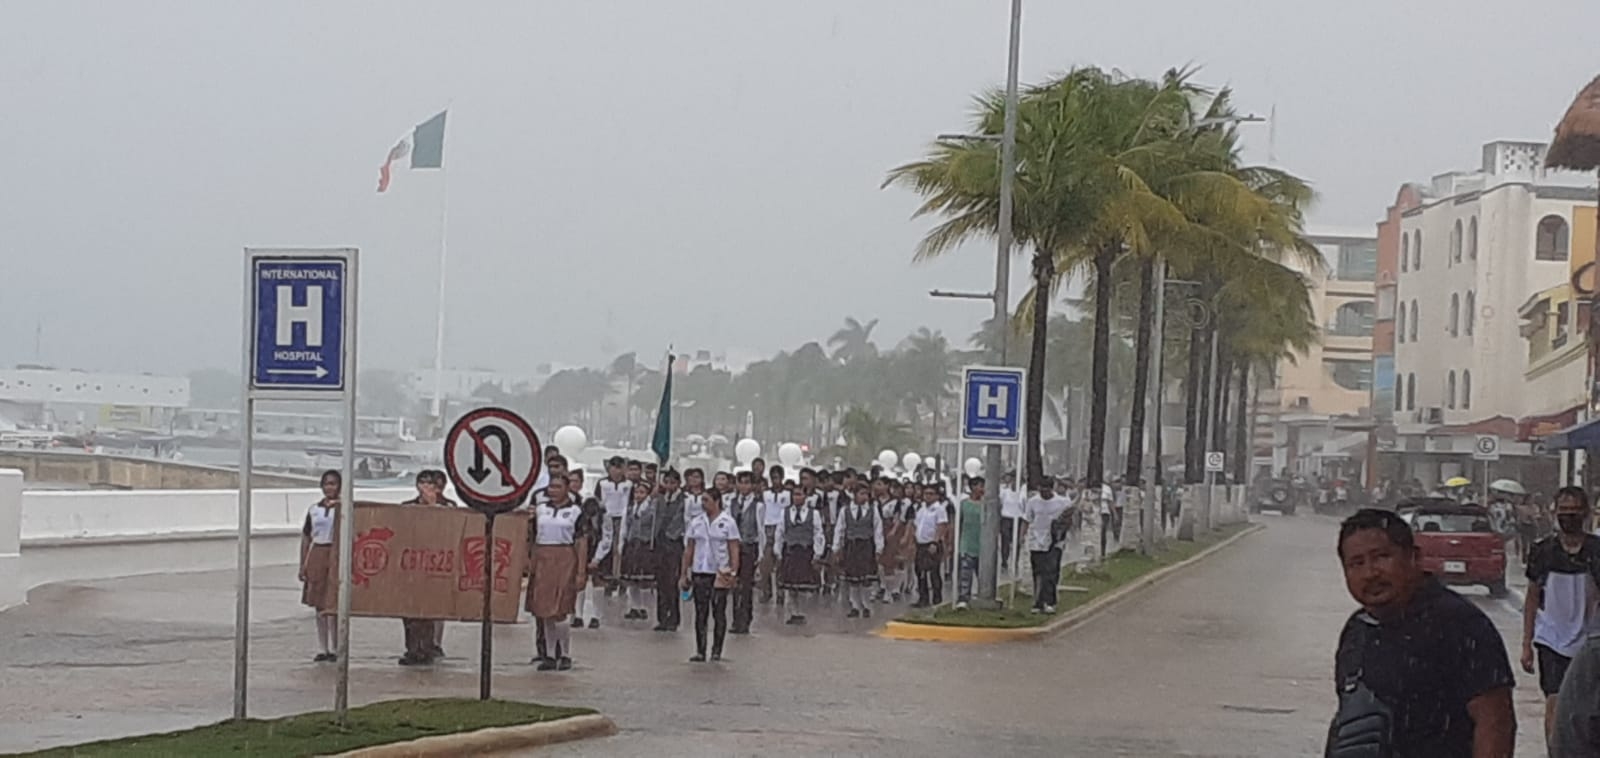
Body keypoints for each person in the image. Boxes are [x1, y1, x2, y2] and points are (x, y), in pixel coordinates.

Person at [1327, 508, 1515, 757]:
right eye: (1357, 563)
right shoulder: (1357, 630)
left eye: (1382, 557)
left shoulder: (1461, 624)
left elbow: (1495, 722)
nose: (1370, 573)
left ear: (1413, 558)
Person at [1521, 486, 1600, 744]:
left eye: (1574, 511)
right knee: (1554, 700)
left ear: (1586, 513)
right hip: (1550, 639)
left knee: (1587, 704)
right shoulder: (1543, 551)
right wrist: (1527, 644)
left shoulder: (1596, 551)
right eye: (1564, 511)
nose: (1569, 516)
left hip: (1589, 641)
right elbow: (1532, 596)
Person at [525, 476, 588, 671]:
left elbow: (581, 542)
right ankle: (549, 655)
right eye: (551, 486)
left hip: (565, 558)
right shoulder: (540, 510)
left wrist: (581, 571)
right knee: (544, 610)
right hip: (543, 558)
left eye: (558, 487)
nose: (553, 490)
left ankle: (565, 654)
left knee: (561, 609)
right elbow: (530, 536)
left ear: (567, 489)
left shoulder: (577, 512)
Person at [680, 487, 740, 662]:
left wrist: (734, 572)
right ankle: (700, 650)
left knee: (718, 612)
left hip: (720, 573)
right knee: (700, 613)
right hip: (700, 571)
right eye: (702, 501)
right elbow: (689, 549)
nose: (703, 504)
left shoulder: (728, 522)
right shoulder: (696, 522)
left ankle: (716, 650)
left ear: (717, 501)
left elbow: (733, 548)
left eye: (706, 500)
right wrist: (684, 573)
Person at [398, 470, 452, 665]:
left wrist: (433, 505)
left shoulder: (448, 507)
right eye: (422, 482)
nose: (426, 487)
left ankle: (428, 648)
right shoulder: (406, 507)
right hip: (411, 565)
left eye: (430, 483)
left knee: (429, 609)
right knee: (409, 611)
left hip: (434, 565)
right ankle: (411, 648)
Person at [299, 469, 341, 662]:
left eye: (333, 484)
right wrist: (303, 564)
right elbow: (307, 537)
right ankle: (322, 647)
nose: (329, 487)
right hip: (317, 553)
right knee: (318, 603)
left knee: (333, 603)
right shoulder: (313, 510)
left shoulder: (344, 508)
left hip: (335, 553)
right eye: (326, 484)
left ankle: (336, 646)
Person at [774, 474, 824, 625]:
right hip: (790, 551)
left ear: (805, 496)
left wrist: (817, 553)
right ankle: (793, 613)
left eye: (799, 494)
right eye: (794, 494)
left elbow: (818, 533)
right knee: (790, 586)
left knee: (804, 586)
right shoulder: (785, 512)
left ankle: (801, 612)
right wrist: (778, 551)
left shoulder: (813, 513)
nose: (796, 497)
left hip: (805, 551)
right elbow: (780, 532)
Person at [833, 479, 883, 618]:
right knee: (853, 579)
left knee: (865, 579)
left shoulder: (873, 510)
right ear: (854, 495)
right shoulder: (845, 510)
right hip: (852, 546)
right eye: (861, 494)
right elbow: (840, 529)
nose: (864, 497)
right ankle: (855, 605)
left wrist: (879, 548)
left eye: (866, 494)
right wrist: (837, 547)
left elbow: (878, 529)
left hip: (866, 546)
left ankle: (866, 605)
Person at [1021, 477, 1070, 614]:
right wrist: (1022, 537)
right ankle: (1038, 602)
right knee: (1038, 572)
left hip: (1055, 542)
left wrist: (1062, 532)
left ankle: (1050, 601)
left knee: (1051, 571)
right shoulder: (1033, 502)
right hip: (1036, 541)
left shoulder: (1062, 502)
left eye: (1047, 490)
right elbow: (1026, 520)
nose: (1044, 493)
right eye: (1041, 490)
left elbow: (1068, 519)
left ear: (1052, 488)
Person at [570, 469, 611, 630]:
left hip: (599, 550)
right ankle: (577, 615)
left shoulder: (604, 517)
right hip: (582, 549)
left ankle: (596, 616)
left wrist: (597, 558)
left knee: (598, 582)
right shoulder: (579, 515)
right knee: (578, 582)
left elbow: (607, 537)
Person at [651, 469, 687, 632]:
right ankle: (661, 618)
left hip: (674, 543)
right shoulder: (659, 498)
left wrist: (671, 535)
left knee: (672, 582)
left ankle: (673, 618)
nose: (670, 485)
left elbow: (680, 520)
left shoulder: (683, 500)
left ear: (679, 483)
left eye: (673, 482)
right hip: (659, 543)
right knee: (661, 582)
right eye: (667, 482)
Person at [728, 471, 763, 634]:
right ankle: (736, 619)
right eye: (741, 482)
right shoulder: (732, 503)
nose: (744, 486)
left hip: (750, 547)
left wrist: (760, 554)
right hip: (734, 548)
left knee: (746, 585)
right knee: (734, 584)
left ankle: (746, 619)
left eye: (747, 483)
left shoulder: (758, 505)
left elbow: (761, 530)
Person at [618, 478, 657, 621]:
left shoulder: (651, 508)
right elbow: (624, 527)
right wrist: (622, 543)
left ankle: (645, 607)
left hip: (645, 544)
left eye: (642, 492)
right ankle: (634, 606)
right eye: (636, 492)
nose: (638, 495)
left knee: (644, 581)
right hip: (632, 544)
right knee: (631, 579)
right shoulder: (629, 509)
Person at [594, 457, 633, 596]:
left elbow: (631, 501)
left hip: (622, 518)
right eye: (613, 468)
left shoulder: (628, 484)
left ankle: (620, 577)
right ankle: (608, 578)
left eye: (619, 468)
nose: (616, 471)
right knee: (607, 546)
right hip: (607, 518)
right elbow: (597, 499)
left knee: (620, 547)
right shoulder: (602, 483)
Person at [911, 482, 950, 608]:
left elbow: (942, 526)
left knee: (933, 572)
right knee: (920, 572)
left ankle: (937, 598)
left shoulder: (939, 509)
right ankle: (923, 598)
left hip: (932, 544)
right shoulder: (921, 509)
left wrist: (935, 541)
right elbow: (916, 525)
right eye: (925, 493)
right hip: (920, 544)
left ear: (937, 496)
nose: (927, 496)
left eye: (931, 494)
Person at [759, 465, 790, 603]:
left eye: (777, 477)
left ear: (782, 477)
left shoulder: (788, 494)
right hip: (768, 528)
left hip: (782, 528)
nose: (775, 480)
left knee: (781, 563)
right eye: (773, 478)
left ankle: (781, 593)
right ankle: (766, 591)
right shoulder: (765, 494)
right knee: (766, 564)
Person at [955, 477, 984, 610]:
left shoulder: (987, 505)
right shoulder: (964, 504)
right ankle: (963, 598)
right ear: (972, 487)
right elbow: (959, 523)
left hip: (983, 545)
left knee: (983, 574)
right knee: (965, 573)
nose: (982, 489)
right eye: (980, 486)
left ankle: (983, 597)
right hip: (967, 543)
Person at [999, 474, 1022, 572]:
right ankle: (1004, 561)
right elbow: (1000, 504)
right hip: (1006, 518)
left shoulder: (1022, 493)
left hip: (1018, 519)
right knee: (1005, 540)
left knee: (1017, 542)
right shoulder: (1005, 492)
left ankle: (1015, 561)